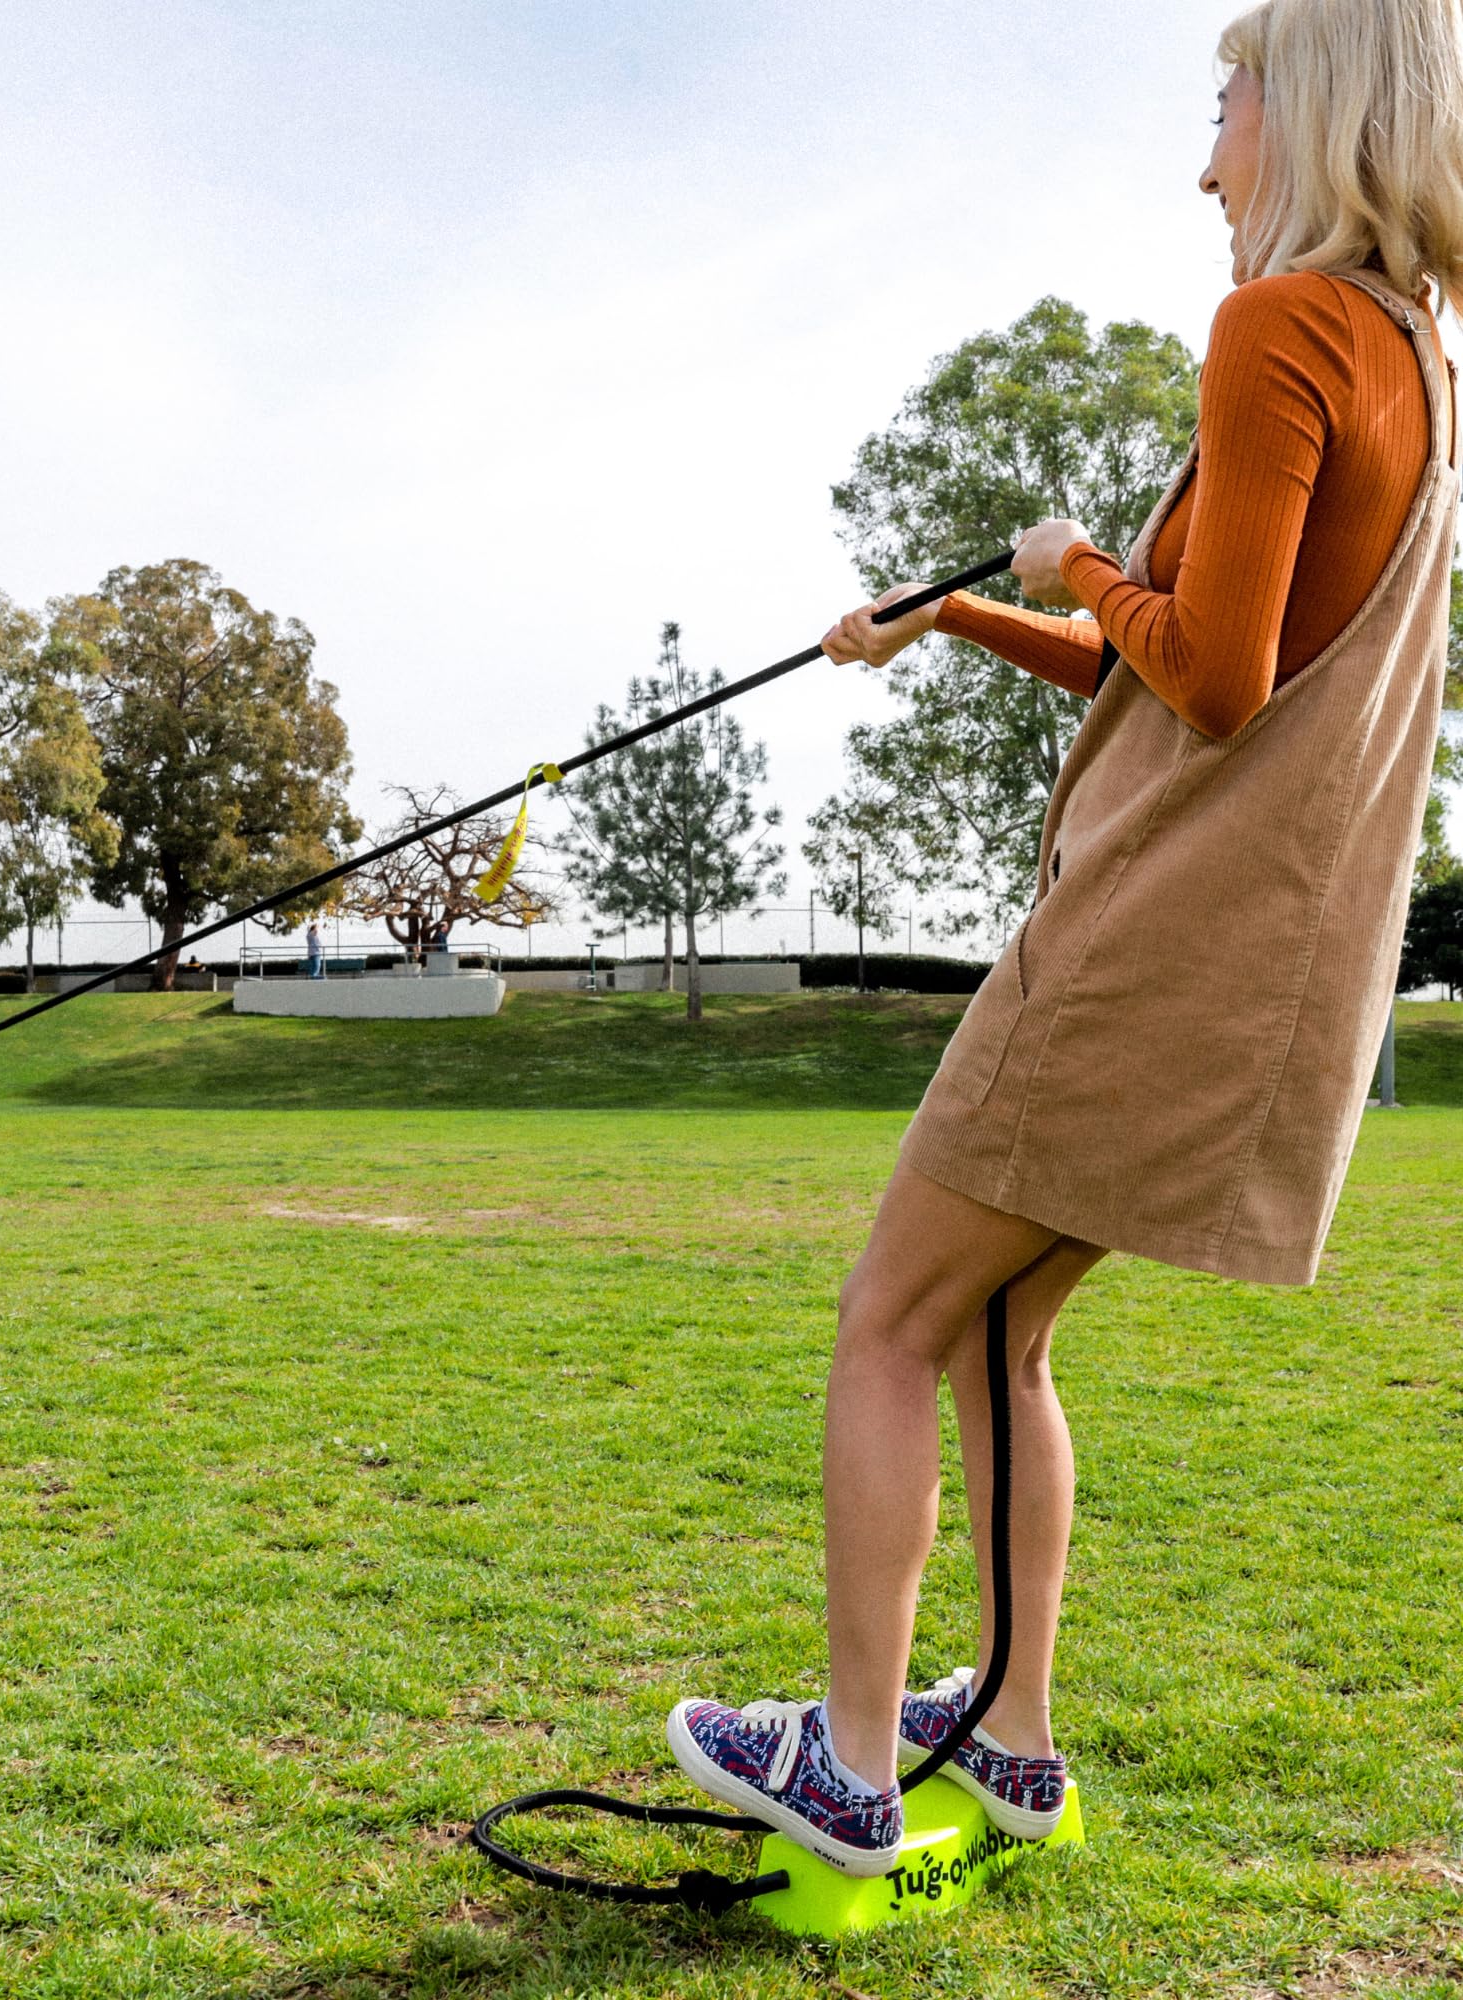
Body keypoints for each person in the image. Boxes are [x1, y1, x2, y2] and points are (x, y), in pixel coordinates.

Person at [667, 0, 1463, 1877]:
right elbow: (1208, 660)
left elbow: (1207, 667)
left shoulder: (1278, 326)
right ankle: (1010, 1748)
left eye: (1227, 105)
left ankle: (851, 1770)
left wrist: (1073, 558)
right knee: (1000, 1335)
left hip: (1141, 948)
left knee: (889, 1319)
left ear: (1315, 110)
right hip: (1255, 975)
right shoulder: (1417, 364)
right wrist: (958, 616)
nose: (1205, 157)